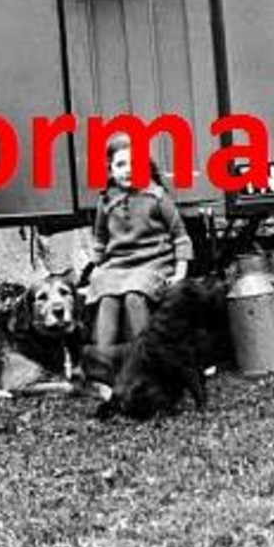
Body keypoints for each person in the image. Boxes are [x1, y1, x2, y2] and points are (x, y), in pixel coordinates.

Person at [83, 136, 193, 383]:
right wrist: (96, 267)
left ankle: (145, 363)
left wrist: (180, 271)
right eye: (121, 165)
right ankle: (104, 365)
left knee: (134, 294)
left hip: (153, 262)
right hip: (117, 263)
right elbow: (100, 238)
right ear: (110, 169)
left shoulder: (156, 197)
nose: (128, 170)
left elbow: (180, 236)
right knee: (107, 295)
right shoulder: (106, 200)